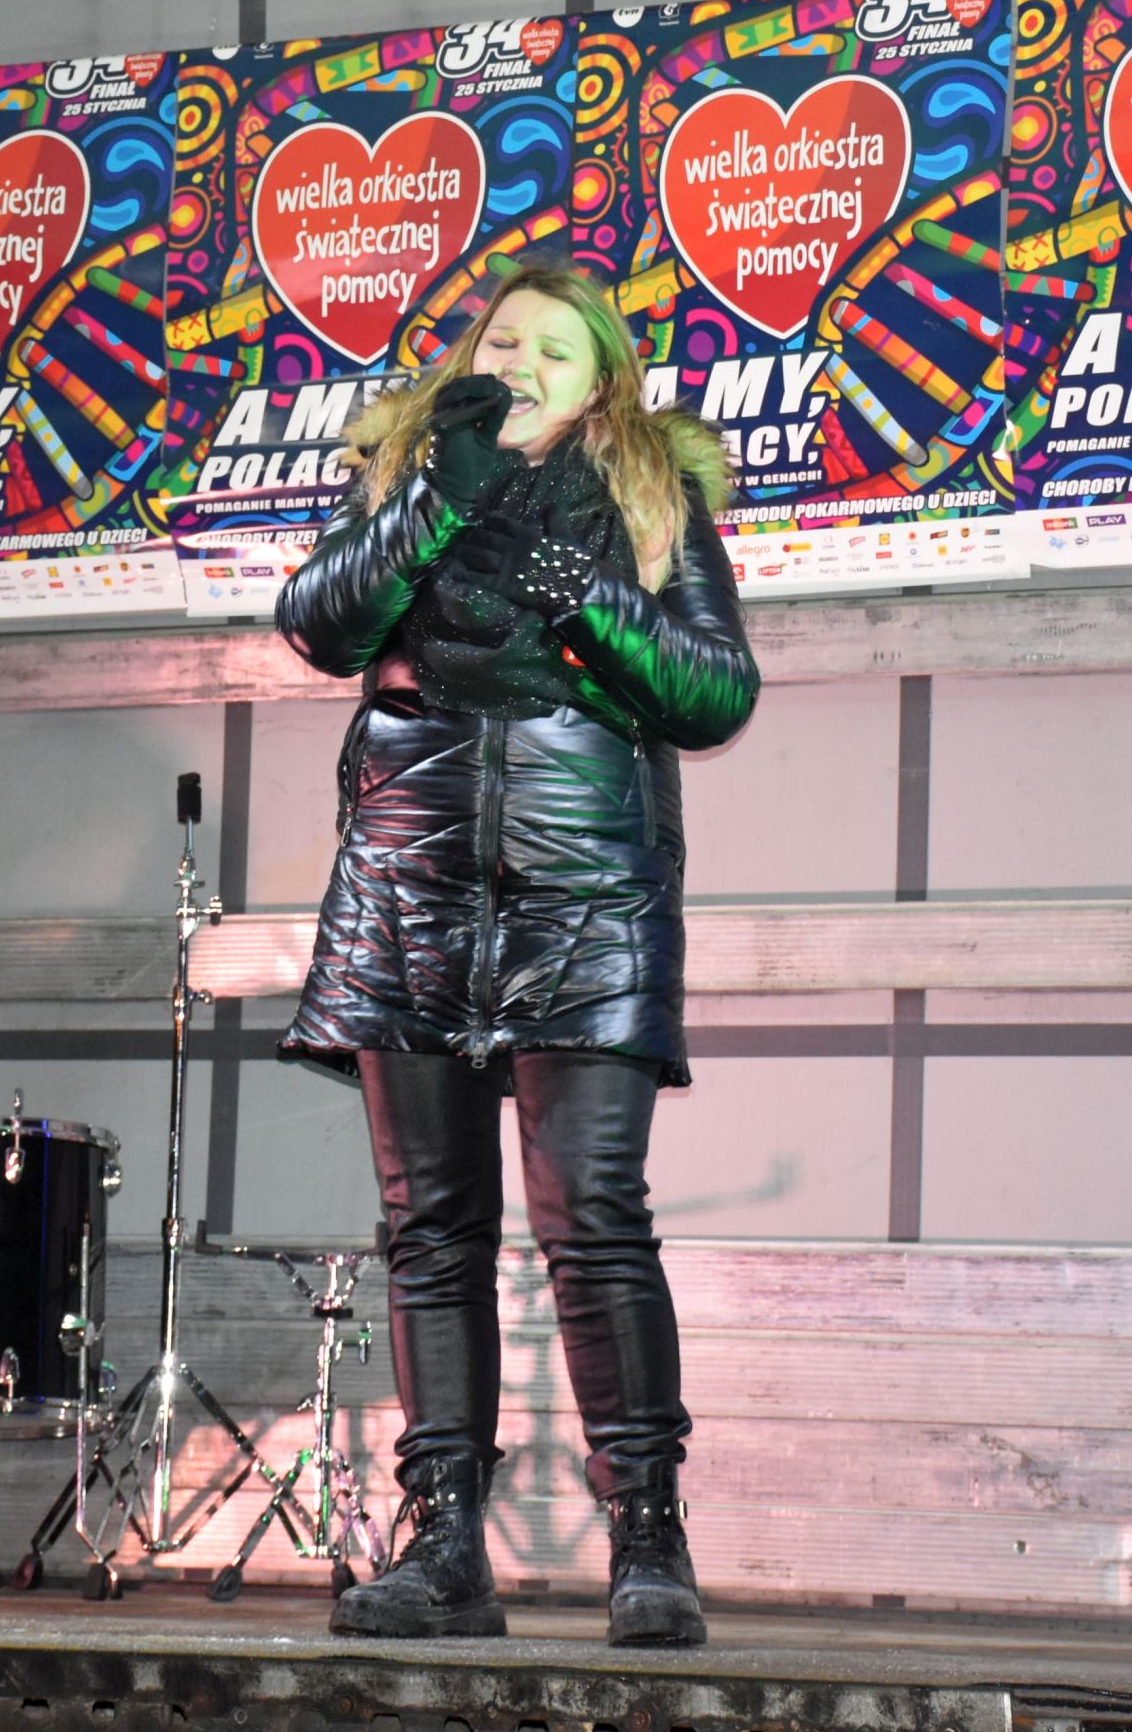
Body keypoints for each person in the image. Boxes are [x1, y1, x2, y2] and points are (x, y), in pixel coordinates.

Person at [273, 263, 759, 1646]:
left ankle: (648, 1542)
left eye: (555, 349)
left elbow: (714, 693)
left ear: (602, 380)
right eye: (504, 341)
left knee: (593, 1215)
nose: (523, 364)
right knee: (431, 1231)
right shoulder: (410, 473)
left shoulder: (652, 495)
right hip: (411, 886)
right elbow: (321, 627)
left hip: (586, 890)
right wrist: (440, 497)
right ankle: (444, 1548)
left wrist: (586, 599)